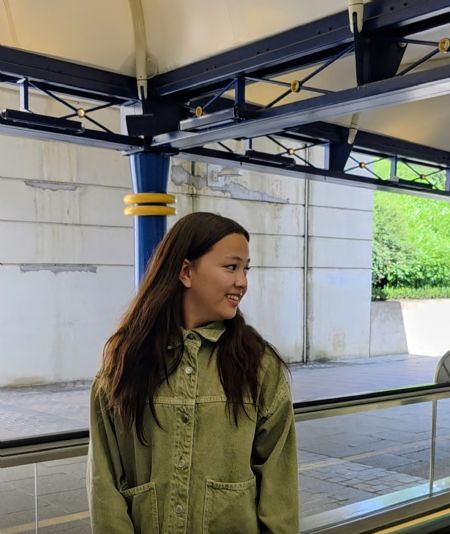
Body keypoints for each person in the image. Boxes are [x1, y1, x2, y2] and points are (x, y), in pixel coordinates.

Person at [87, 212, 299, 534]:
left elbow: (279, 488)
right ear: (186, 272)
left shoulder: (258, 365)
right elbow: (105, 479)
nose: (242, 282)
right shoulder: (126, 360)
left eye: (246, 269)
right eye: (231, 267)